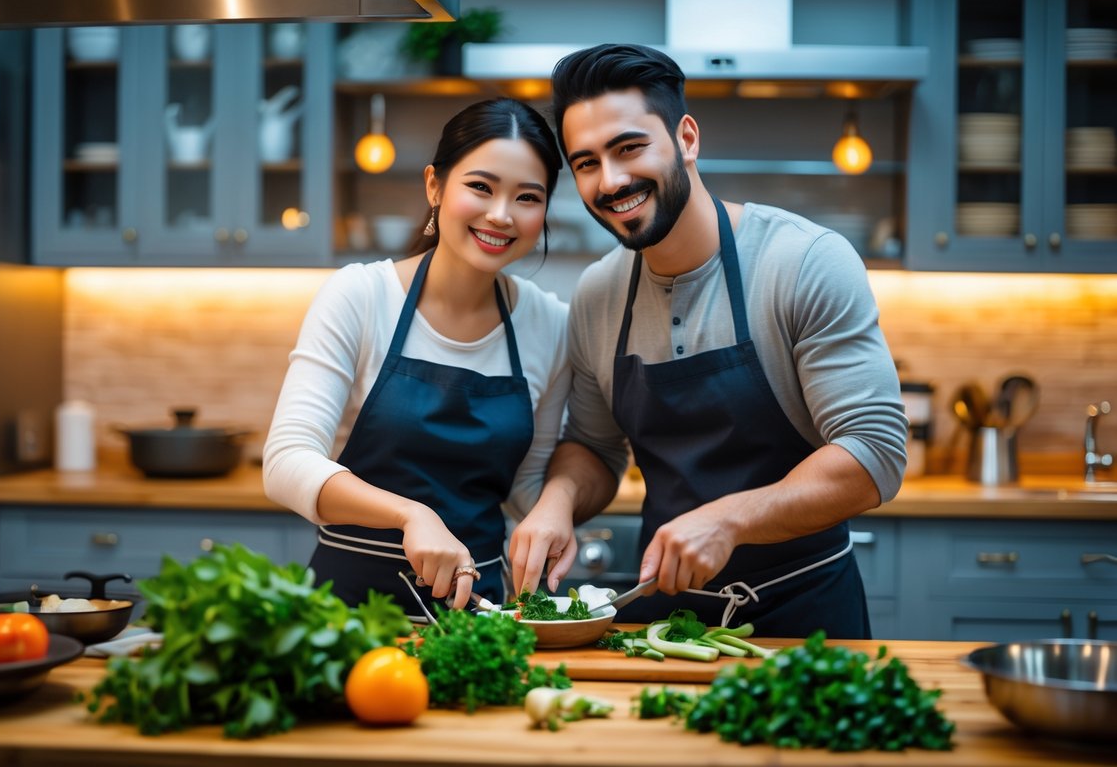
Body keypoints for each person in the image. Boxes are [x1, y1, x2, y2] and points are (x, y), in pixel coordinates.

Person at [508, 44, 907, 639]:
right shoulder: (598, 294)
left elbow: (875, 451)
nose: (611, 181)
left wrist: (731, 520)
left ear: (686, 139)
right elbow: (594, 445)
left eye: (629, 147)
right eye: (586, 163)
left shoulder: (803, 262)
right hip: (668, 624)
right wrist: (558, 500)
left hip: (805, 620)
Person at [264, 98, 570, 621]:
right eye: (481, 186)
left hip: (481, 619)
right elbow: (286, 462)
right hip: (348, 620)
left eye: (527, 197)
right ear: (435, 186)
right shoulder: (360, 295)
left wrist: (555, 512)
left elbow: (527, 485)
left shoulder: (550, 323)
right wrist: (411, 516)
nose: (501, 214)